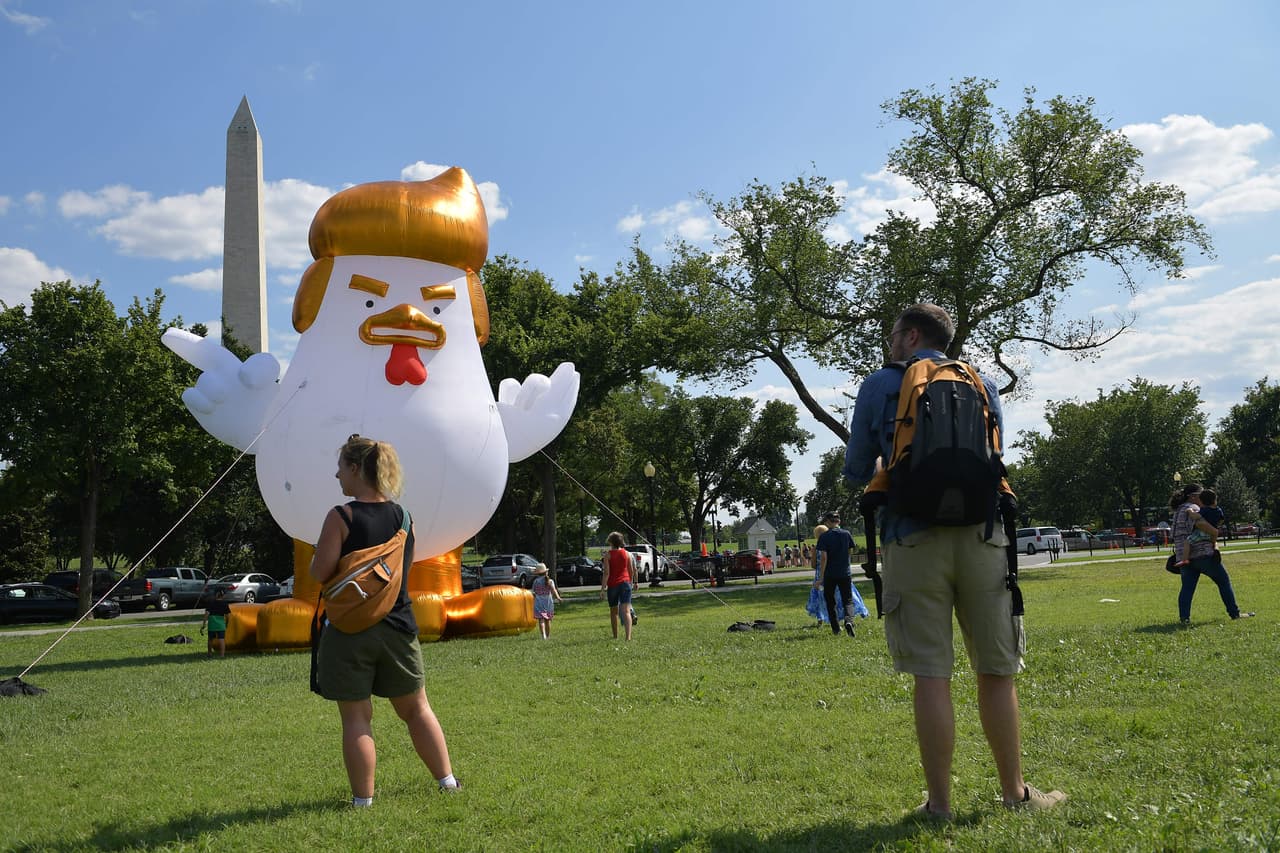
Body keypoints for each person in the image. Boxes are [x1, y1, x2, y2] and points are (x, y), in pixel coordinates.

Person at [844, 303, 1064, 819]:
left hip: (912, 538)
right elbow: (994, 457)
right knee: (996, 670)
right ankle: (1016, 793)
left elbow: (857, 469)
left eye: (893, 334)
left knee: (931, 675)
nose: (890, 343)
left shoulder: (881, 384)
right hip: (983, 538)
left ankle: (939, 804)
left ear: (912, 334)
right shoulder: (980, 382)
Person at [310, 435, 459, 806]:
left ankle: (363, 802)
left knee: (357, 718)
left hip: (348, 630)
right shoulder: (403, 517)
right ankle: (448, 782)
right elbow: (401, 573)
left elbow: (319, 572)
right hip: (398, 628)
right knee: (417, 709)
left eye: (341, 467)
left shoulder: (340, 517)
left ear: (357, 469)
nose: (337, 475)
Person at [1171, 483, 1254, 624]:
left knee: (1187, 588)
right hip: (1202, 554)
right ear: (1193, 496)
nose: (1203, 497)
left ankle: (1184, 619)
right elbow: (1201, 524)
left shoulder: (1178, 511)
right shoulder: (1195, 508)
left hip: (1184, 557)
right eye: (1200, 494)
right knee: (1223, 581)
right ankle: (1234, 614)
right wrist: (1215, 532)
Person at [814, 511, 867, 636]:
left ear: (827, 522)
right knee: (848, 600)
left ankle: (836, 629)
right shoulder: (846, 534)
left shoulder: (824, 537)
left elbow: (823, 558)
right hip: (845, 573)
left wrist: (821, 578)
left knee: (830, 601)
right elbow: (850, 551)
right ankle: (849, 621)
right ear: (839, 521)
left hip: (829, 574)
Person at [600, 531, 636, 640]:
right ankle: (628, 637)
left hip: (613, 585)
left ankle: (615, 636)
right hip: (625, 584)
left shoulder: (608, 555)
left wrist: (602, 589)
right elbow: (631, 571)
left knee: (613, 611)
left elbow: (606, 573)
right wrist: (631, 582)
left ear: (611, 542)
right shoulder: (627, 554)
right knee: (626, 611)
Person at [1177, 488, 1223, 568]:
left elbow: (1196, 516)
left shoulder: (1204, 510)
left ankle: (1185, 559)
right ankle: (1215, 549)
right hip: (1212, 532)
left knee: (1187, 542)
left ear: (1202, 501)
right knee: (1214, 543)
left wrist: (1190, 511)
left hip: (1202, 532)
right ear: (1215, 499)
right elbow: (1221, 520)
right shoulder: (1219, 510)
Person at [530, 563, 563, 639]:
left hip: (539, 603)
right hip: (548, 603)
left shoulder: (536, 581)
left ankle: (543, 636)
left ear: (537, 573)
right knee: (547, 620)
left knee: (541, 620)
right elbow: (554, 590)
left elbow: (533, 592)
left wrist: (536, 596)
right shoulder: (550, 581)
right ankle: (548, 636)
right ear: (546, 572)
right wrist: (558, 598)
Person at [199, 587, 231, 657]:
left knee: (210, 639)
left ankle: (209, 653)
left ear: (215, 595)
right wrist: (226, 623)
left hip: (212, 624)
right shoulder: (225, 604)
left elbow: (206, 614)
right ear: (223, 595)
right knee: (221, 639)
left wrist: (204, 625)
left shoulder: (211, 603)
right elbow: (228, 616)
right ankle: (222, 655)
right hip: (221, 624)